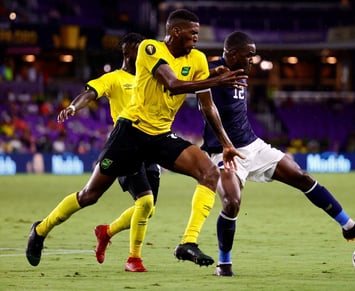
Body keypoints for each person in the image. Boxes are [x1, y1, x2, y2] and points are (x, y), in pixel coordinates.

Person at [26, 9, 247, 272]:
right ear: (176, 31)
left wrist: (225, 143)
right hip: (130, 132)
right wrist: (214, 79)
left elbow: (207, 106)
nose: (197, 37)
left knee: (209, 173)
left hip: (161, 135)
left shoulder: (198, 60)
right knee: (90, 195)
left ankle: (187, 243)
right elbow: (173, 85)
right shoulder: (150, 49)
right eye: (193, 32)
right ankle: (40, 230)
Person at [200, 31, 355, 277]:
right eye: (249, 55)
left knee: (302, 176)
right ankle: (224, 264)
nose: (252, 60)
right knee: (232, 203)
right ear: (232, 54)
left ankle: (348, 226)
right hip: (224, 152)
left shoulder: (241, 74)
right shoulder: (211, 71)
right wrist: (210, 77)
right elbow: (196, 89)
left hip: (252, 146)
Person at [56, 32, 161, 269]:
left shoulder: (150, 78)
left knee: (148, 209)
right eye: (139, 52)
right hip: (124, 146)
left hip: (150, 145)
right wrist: (74, 106)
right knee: (144, 202)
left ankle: (106, 231)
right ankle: (134, 258)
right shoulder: (114, 78)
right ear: (127, 53)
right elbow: (91, 92)